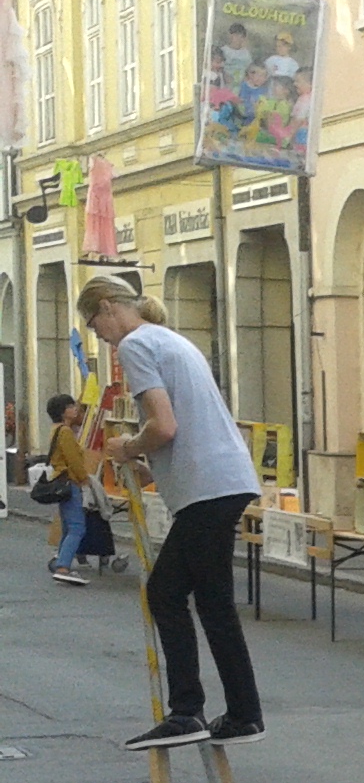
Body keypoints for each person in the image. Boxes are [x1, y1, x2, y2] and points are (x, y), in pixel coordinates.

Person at [83, 278, 266, 750]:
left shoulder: (135, 345)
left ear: (107, 307)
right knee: (212, 603)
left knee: (166, 593)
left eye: (95, 324)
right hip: (224, 478)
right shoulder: (169, 339)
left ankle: (188, 712)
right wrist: (155, 466)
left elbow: (163, 425)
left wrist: (128, 446)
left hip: (208, 487)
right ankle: (243, 714)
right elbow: (185, 426)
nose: (99, 335)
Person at [42, 392, 93, 587]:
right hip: (70, 482)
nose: (75, 409)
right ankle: (63, 567)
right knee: (77, 527)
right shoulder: (65, 432)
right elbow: (74, 460)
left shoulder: (56, 430)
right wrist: (84, 479)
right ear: (63, 412)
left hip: (61, 481)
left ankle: (61, 561)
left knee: (67, 526)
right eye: (71, 407)